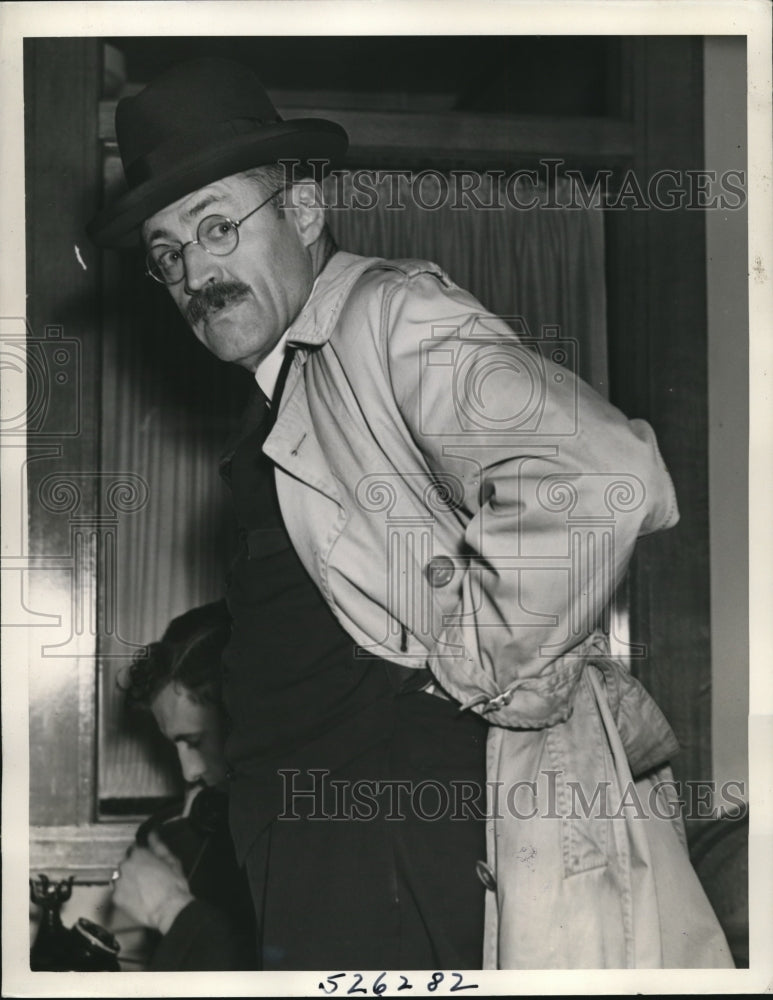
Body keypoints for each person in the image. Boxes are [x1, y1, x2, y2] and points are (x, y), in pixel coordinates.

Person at [89, 57, 732, 969]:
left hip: (391, 843)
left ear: (305, 212)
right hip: (318, 852)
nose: (196, 272)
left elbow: (600, 474)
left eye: (218, 226)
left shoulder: (385, 314)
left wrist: (472, 661)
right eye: (169, 255)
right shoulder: (286, 388)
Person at [111, 601, 256, 971]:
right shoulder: (181, 835)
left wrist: (170, 909)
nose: (189, 772)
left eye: (193, 741)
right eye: (172, 745)